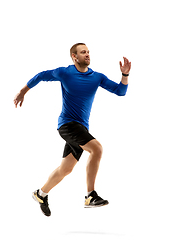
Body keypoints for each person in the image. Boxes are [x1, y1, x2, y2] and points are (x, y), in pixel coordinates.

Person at [13, 43, 131, 217]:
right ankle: (90, 196)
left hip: (81, 127)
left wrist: (125, 74)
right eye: (83, 52)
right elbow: (40, 76)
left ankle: (41, 194)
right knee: (97, 148)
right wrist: (23, 91)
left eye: (88, 52)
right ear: (74, 57)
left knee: (66, 169)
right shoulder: (65, 73)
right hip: (67, 125)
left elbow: (120, 91)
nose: (87, 55)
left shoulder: (97, 77)